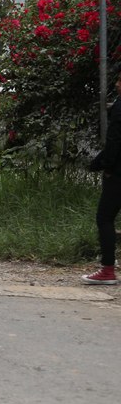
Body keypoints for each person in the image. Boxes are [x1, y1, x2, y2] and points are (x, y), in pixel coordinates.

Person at [85, 72, 121, 284]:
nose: (116, 85)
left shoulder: (119, 107)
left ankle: (108, 269)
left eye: (118, 81)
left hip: (118, 173)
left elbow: (115, 141)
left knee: (104, 217)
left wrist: (104, 165)